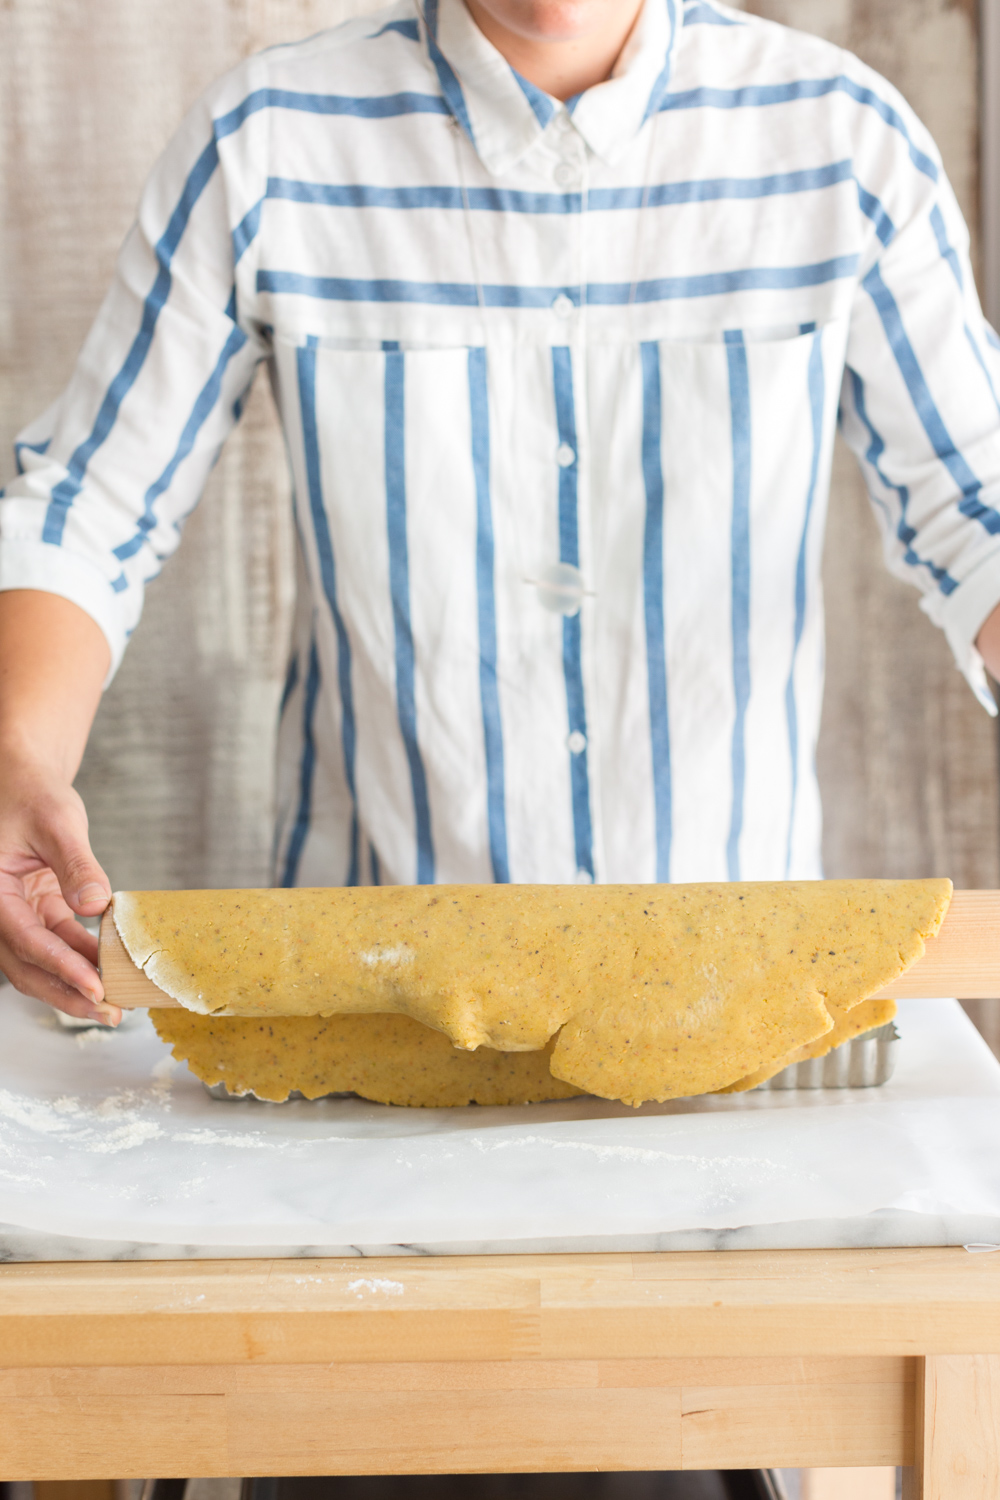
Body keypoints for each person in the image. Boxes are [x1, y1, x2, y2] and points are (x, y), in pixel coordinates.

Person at [2, 0, 1000, 1027]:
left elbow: (980, 505)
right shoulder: (266, 142)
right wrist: (16, 762)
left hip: (739, 997)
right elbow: (88, 509)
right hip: (371, 993)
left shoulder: (843, 141)